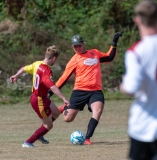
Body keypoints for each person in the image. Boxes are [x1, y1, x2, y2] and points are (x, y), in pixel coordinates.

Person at [48, 32, 122, 145]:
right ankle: (66, 107)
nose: (77, 48)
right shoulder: (74, 60)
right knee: (67, 119)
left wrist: (114, 43)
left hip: (95, 91)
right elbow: (64, 78)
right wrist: (51, 92)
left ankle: (87, 138)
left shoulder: (95, 53)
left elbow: (109, 57)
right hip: (80, 91)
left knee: (98, 110)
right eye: (75, 46)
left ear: (84, 44)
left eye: (79, 45)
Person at [10, 45, 70, 148]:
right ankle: (28, 142)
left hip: (40, 97)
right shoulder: (46, 70)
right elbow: (52, 87)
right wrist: (64, 98)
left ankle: (41, 134)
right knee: (48, 125)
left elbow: (24, 68)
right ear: (54, 58)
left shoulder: (37, 64)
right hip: (39, 100)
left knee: (55, 112)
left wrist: (16, 75)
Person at [120, 0, 157, 159]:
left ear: (137, 20)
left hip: (143, 126)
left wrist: (122, 85)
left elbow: (131, 86)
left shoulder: (136, 52)